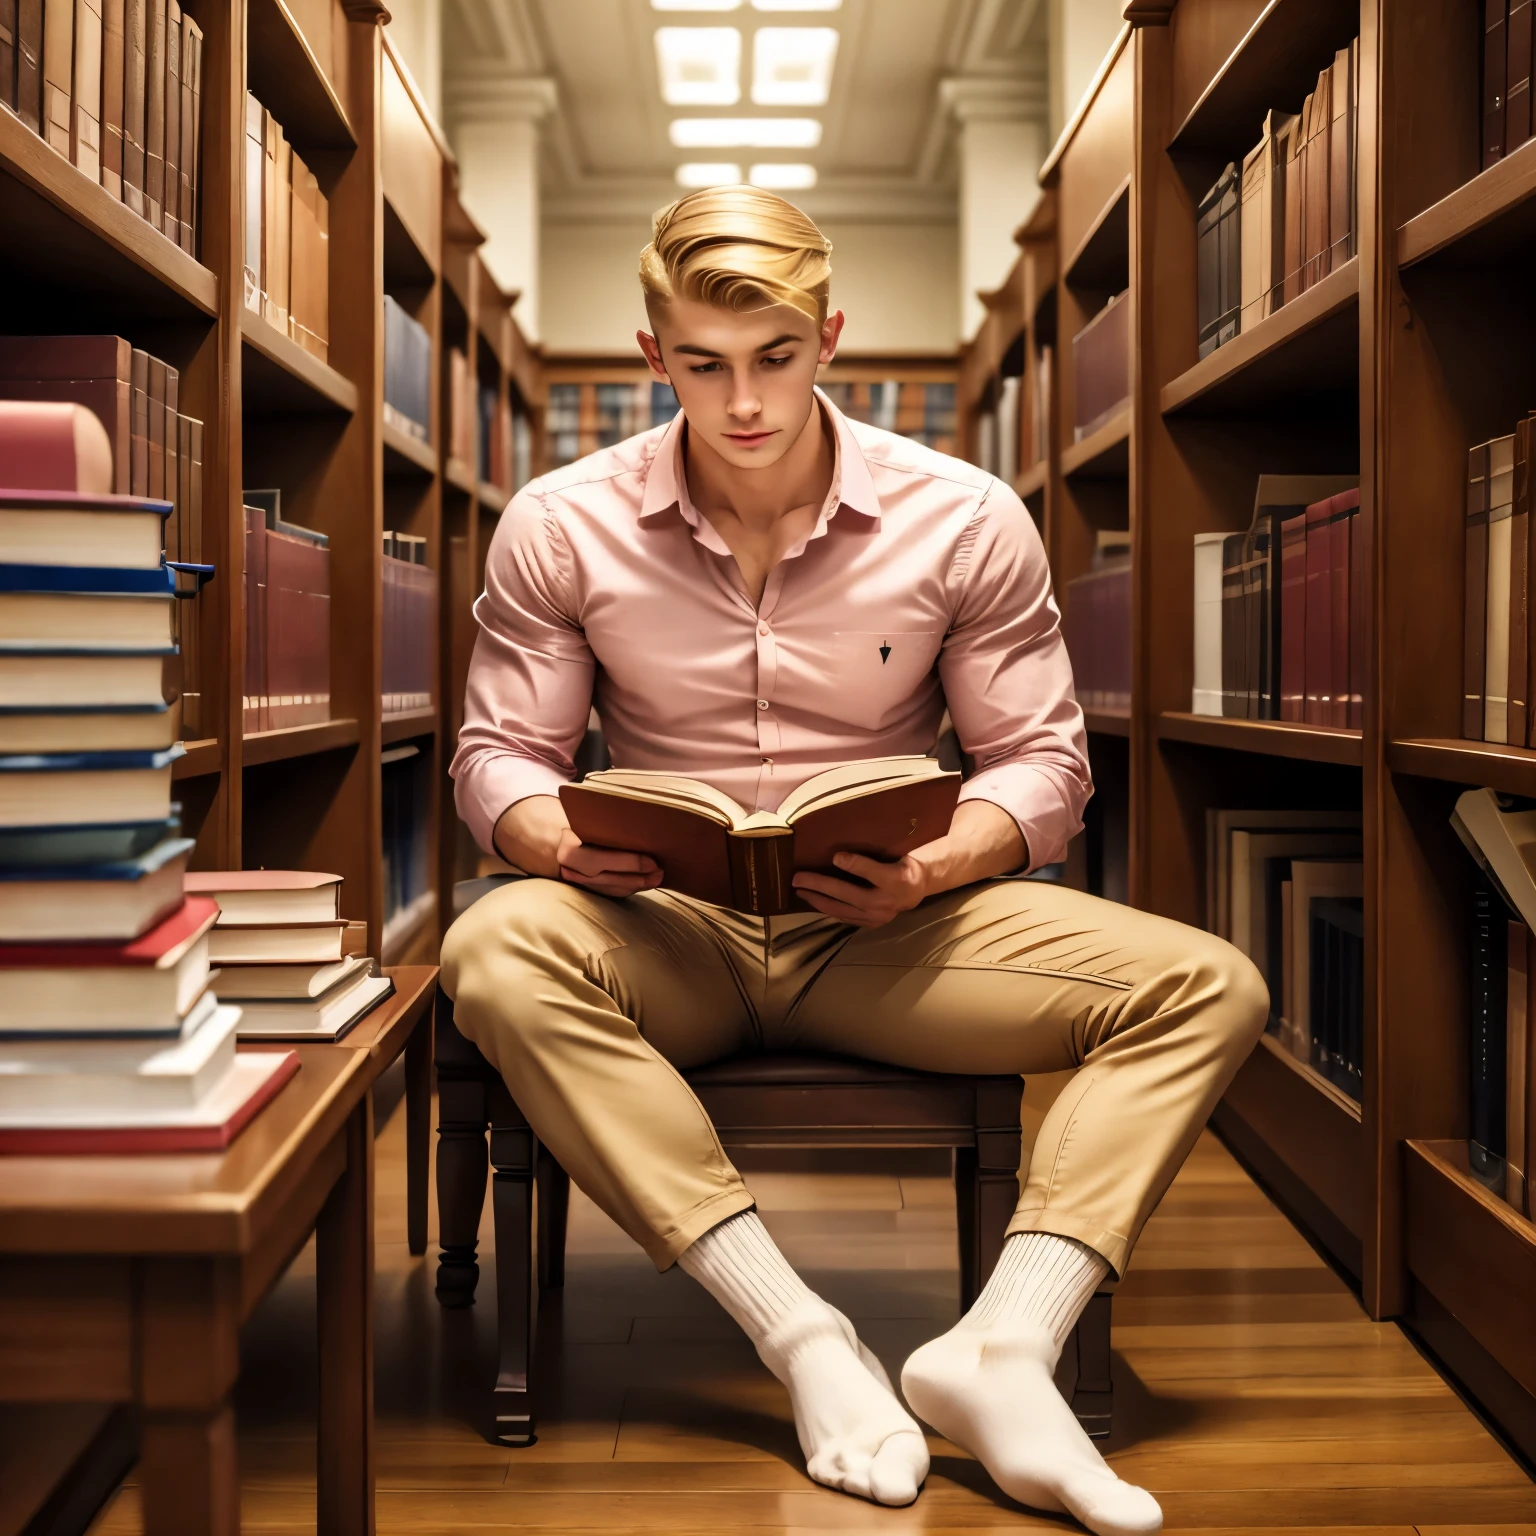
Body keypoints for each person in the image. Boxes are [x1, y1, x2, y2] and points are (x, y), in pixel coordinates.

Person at [442, 185, 1266, 1536]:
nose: (743, 399)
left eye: (775, 356)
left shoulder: (966, 515)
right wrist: (537, 825)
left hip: (891, 930)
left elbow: (1047, 764)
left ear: (831, 337)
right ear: (655, 357)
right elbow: (497, 753)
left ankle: (1002, 1351)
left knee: (1213, 986)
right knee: (490, 949)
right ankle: (804, 1338)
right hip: (667, 930)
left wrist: (942, 866)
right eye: (703, 365)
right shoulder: (560, 521)